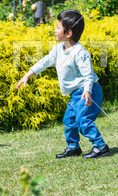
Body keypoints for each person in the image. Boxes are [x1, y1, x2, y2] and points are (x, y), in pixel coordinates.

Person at [16, 9, 110, 159]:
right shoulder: (58, 49)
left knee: (83, 120)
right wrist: (28, 74)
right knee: (70, 120)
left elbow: (88, 74)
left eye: (58, 27)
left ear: (69, 33)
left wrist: (87, 91)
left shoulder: (80, 52)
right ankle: (73, 147)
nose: (55, 30)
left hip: (89, 92)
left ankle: (100, 146)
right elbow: (45, 61)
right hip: (75, 94)